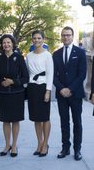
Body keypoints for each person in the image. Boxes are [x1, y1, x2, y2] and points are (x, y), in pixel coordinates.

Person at [53, 26, 87, 161]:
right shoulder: (56, 54)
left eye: (68, 35)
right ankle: (65, 148)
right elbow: (53, 75)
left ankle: (77, 150)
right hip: (61, 95)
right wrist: (61, 89)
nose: (66, 37)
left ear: (72, 36)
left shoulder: (80, 52)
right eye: (63, 35)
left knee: (77, 122)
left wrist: (70, 89)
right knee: (64, 122)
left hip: (76, 94)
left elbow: (82, 74)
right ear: (61, 37)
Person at [0, 34, 28, 157]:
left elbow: (26, 77)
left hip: (17, 94)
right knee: (5, 120)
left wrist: (13, 81)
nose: (6, 45)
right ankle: (7, 144)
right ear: (2, 45)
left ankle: (14, 145)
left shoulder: (19, 58)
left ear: (13, 44)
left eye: (8, 42)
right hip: (3, 94)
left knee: (15, 120)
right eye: (4, 43)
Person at [25, 30, 53, 157]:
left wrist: (48, 91)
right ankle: (39, 143)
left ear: (43, 39)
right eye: (34, 38)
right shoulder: (29, 56)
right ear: (32, 40)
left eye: (39, 38)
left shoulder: (47, 55)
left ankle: (45, 144)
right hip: (32, 88)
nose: (36, 40)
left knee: (45, 117)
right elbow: (27, 73)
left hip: (43, 88)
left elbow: (50, 74)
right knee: (36, 118)